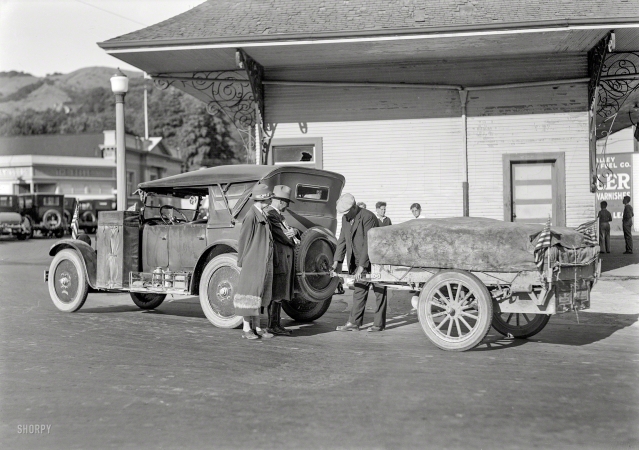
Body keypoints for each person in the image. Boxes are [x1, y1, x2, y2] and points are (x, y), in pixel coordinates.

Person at [332, 193, 388, 332]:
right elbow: (342, 240)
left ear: (354, 207)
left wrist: (362, 266)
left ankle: (378, 324)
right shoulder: (346, 218)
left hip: (375, 261)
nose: (344, 215)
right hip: (358, 261)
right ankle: (354, 323)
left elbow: (369, 243)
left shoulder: (368, 217)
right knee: (359, 291)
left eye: (346, 212)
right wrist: (336, 261)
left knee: (380, 291)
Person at [234, 184, 274, 340]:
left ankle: (257, 327)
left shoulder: (261, 214)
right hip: (253, 261)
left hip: (261, 261)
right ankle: (246, 329)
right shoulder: (251, 216)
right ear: (264, 199)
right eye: (270, 197)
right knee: (248, 295)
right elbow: (243, 240)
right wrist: (242, 261)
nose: (271, 199)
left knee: (259, 295)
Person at [264, 185, 299, 336]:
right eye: (287, 202)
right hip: (279, 259)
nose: (288, 205)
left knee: (279, 293)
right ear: (280, 201)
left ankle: (276, 324)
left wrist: (295, 232)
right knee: (277, 293)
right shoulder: (271, 214)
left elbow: (288, 232)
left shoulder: (277, 214)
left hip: (283, 258)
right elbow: (283, 235)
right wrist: (293, 238)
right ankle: (273, 325)